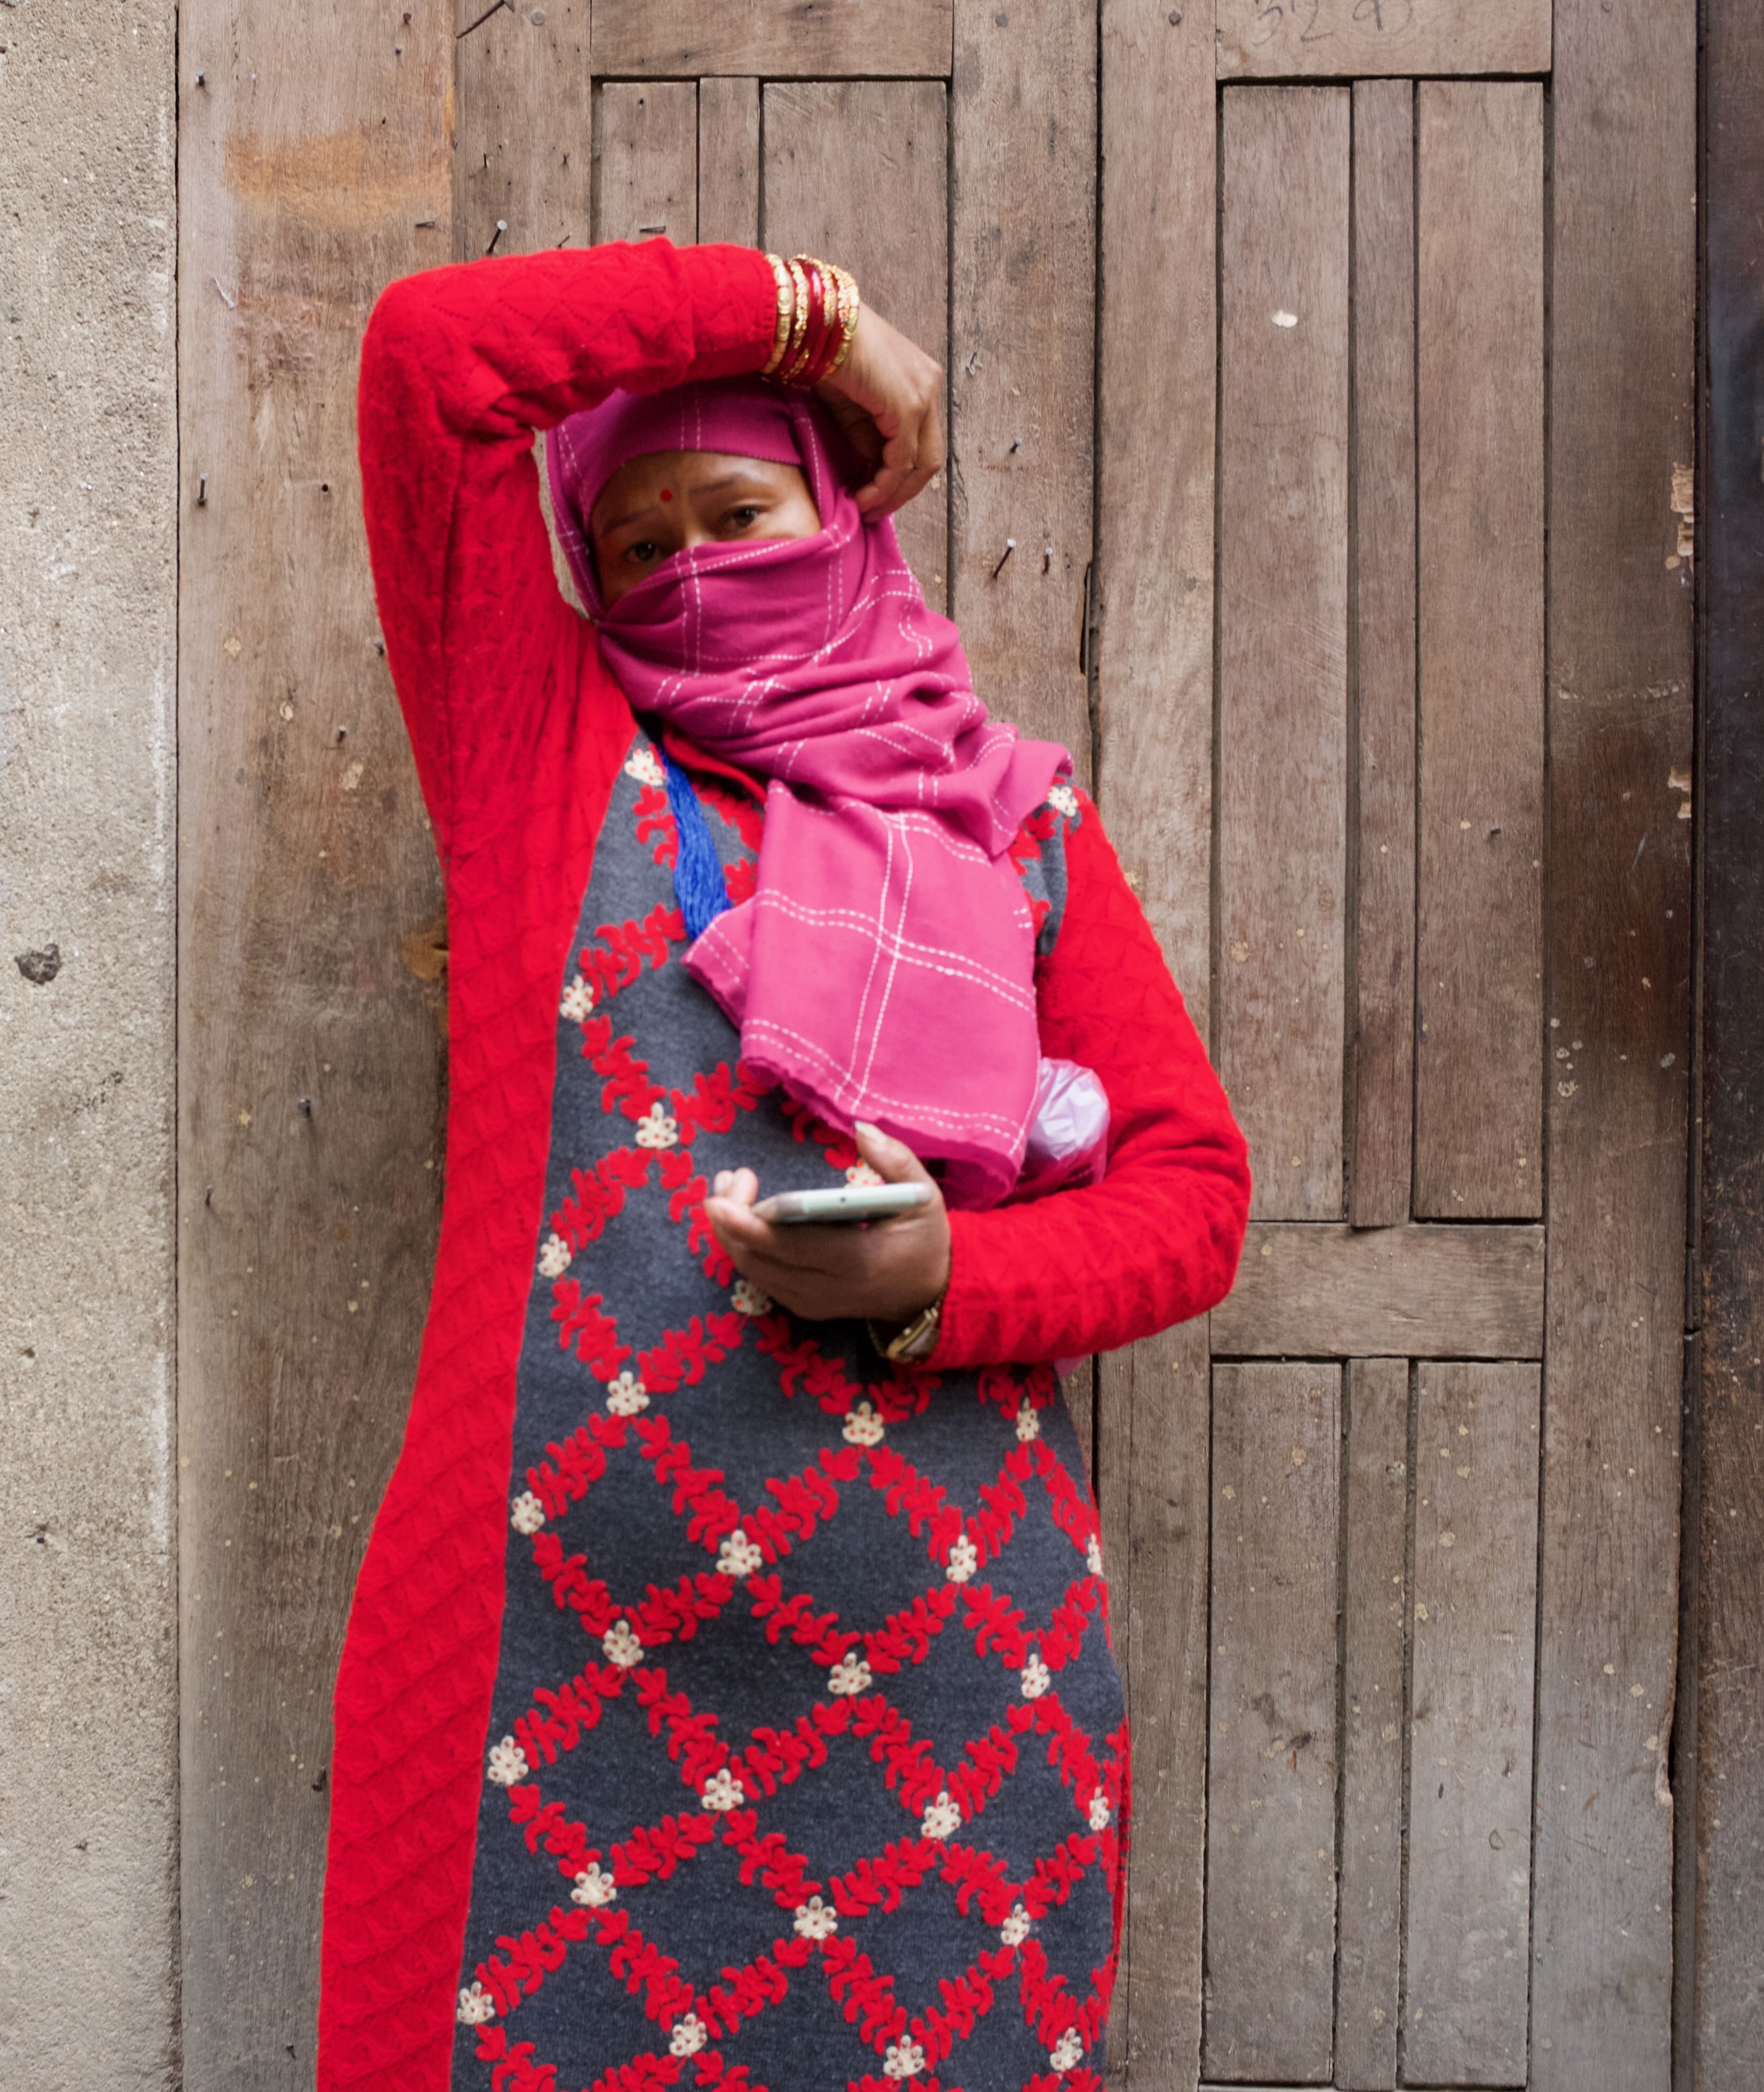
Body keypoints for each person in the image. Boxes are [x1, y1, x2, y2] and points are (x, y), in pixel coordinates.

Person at [320, 237, 1249, 2092]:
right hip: (545, 1680)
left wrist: (950, 1288)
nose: (693, 569)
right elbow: (436, 359)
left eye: (739, 509)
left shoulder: (1015, 819)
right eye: (641, 542)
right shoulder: (549, 761)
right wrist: (807, 316)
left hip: (938, 1694)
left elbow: (1191, 1194)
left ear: (836, 508)